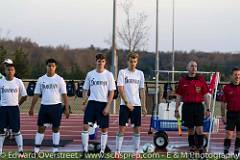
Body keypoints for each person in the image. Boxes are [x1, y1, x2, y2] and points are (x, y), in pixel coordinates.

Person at [28, 58, 69, 154]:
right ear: (46, 66)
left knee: (56, 128)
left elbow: (64, 95)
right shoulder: (41, 79)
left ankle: (55, 150)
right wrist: (31, 108)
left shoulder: (59, 79)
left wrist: (66, 108)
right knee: (41, 128)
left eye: (53, 66)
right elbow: (36, 95)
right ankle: (36, 150)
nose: (51, 67)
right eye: (49, 66)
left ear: (56, 67)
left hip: (56, 107)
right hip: (44, 106)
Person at [81, 53, 116, 159]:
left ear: (105, 62)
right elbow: (85, 89)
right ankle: (85, 151)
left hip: (103, 104)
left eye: (102, 61)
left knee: (104, 129)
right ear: (96, 62)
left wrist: (108, 106)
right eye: (98, 61)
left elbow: (111, 92)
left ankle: (102, 152)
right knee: (85, 127)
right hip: (91, 103)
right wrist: (84, 102)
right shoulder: (90, 74)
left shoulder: (109, 75)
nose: (100, 63)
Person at [115, 52, 147, 160]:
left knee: (137, 129)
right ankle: (117, 152)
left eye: (134, 61)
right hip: (125, 105)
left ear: (137, 62)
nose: (132, 63)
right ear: (127, 61)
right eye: (131, 61)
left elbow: (142, 90)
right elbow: (120, 88)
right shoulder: (122, 72)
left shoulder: (140, 74)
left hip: (136, 106)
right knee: (121, 129)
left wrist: (143, 106)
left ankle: (136, 152)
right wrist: (126, 102)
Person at [175, 61, 210, 157]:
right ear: (187, 68)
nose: (194, 68)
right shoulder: (183, 80)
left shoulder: (201, 79)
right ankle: (192, 148)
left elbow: (206, 95)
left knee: (199, 129)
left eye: (195, 66)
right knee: (190, 129)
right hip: (187, 107)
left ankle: (201, 148)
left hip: (198, 106)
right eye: (192, 66)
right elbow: (178, 96)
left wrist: (208, 108)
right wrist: (176, 109)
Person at [0, 63, 27, 156]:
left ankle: (21, 151)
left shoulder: (18, 82)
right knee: (1, 131)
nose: (10, 71)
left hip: (14, 109)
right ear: (5, 71)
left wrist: (18, 104)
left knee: (16, 130)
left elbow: (24, 95)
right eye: (8, 70)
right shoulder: (1, 82)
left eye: (12, 70)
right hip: (2, 109)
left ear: (14, 71)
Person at [221, 67, 240, 157]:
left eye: (239, 75)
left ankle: (236, 151)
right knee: (229, 134)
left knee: (239, 134)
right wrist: (223, 115)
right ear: (232, 76)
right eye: (235, 74)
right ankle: (226, 151)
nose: (237, 76)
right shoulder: (227, 88)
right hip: (231, 113)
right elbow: (223, 103)